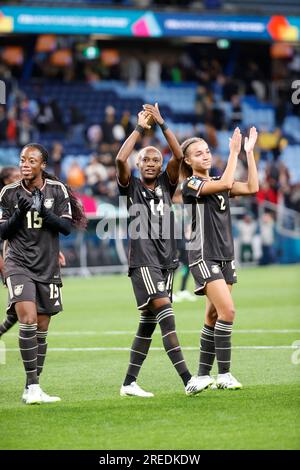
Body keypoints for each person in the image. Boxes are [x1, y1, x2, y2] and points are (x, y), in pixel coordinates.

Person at [116, 103, 205, 397]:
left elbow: (179, 156)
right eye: (146, 160)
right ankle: (188, 379)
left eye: (155, 159)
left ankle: (129, 383)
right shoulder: (131, 187)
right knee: (166, 315)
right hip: (143, 261)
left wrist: (163, 124)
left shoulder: (168, 185)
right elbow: (120, 158)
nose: (152, 163)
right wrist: (141, 128)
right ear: (139, 166)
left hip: (166, 261)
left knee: (147, 325)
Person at [0, 143, 86, 404]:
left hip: (47, 266)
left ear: (43, 165)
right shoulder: (8, 193)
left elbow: (66, 227)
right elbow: (3, 232)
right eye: (22, 160)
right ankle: (34, 387)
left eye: (31, 160)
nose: (25, 164)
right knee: (27, 319)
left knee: (42, 326)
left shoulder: (57, 190)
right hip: (18, 263)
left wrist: (42, 211)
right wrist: (20, 213)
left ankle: (31, 386)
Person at [181, 127, 259, 390]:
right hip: (204, 254)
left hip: (226, 255)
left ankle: (203, 376)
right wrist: (234, 152)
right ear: (188, 161)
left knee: (213, 316)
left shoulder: (217, 179)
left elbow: (252, 187)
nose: (204, 156)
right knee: (228, 311)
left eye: (207, 151)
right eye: (197, 154)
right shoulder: (191, 184)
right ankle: (224, 375)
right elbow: (226, 183)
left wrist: (248, 153)